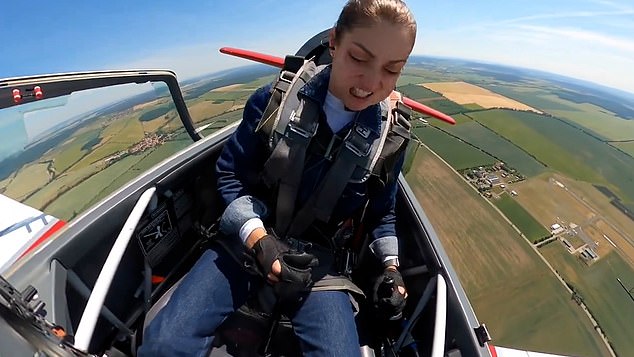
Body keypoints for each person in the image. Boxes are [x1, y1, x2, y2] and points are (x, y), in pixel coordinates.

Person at [139, 1, 416, 356]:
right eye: (359, 59)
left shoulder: (388, 138)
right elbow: (230, 174)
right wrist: (258, 240)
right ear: (334, 42)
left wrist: (391, 269)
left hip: (317, 263)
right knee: (164, 345)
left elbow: (383, 213)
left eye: (392, 70)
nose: (373, 82)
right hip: (248, 240)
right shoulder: (273, 103)